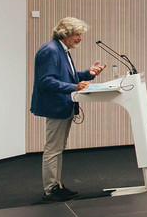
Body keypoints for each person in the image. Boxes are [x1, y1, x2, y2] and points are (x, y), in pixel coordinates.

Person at [31, 17, 105, 202]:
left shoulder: (62, 50)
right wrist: (74, 87)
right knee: (53, 149)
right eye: (77, 34)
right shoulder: (50, 51)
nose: (80, 38)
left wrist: (88, 73)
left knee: (58, 149)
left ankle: (57, 186)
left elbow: (68, 76)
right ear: (65, 34)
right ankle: (50, 189)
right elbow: (46, 81)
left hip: (63, 105)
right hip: (56, 106)